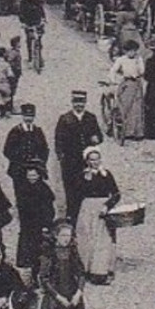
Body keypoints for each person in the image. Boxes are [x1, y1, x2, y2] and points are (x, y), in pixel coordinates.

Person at [36, 219, 90, 309]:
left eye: (69, 235)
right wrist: (58, 297)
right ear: (56, 236)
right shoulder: (49, 253)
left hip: (72, 296)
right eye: (63, 235)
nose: (66, 239)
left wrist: (78, 293)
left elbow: (81, 273)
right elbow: (44, 278)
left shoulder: (73, 252)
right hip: (55, 298)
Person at [74, 147, 121, 285]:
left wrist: (107, 206)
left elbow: (116, 193)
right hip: (87, 208)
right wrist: (84, 181)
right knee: (86, 238)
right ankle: (84, 270)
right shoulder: (82, 175)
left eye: (97, 159)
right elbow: (76, 194)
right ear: (87, 161)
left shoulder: (106, 174)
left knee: (102, 240)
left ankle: (99, 271)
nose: (95, 162)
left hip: (102, 208)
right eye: (91, 159)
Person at [54, 90, 104, 220]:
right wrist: (62, 156)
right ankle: (71, 218)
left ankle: (86, 218)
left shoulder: (91, 118)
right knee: (71, 191)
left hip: (87, 162)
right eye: (76, 102)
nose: (79, 105)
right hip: (70, 163)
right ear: (72, 103)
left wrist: (96, 138)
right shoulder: (65, 119)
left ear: (85, 103)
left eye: (81, 102)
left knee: (87, 189)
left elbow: (99, 136)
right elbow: (58, 140)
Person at [12, 160, 56, 276]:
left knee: (39, 250)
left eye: (34, 175)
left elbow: (49, 209)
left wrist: (47, 224)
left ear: (39, 175)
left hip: (40, 225)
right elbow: (21, 207)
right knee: (28, 250)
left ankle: (39, 274)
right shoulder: (23, 189)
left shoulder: (44, 189)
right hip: (27, 225)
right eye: (29, 175)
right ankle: (29, 274)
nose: (31, 178)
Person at [2, 103, 50, 188]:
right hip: (19, 170)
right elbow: (7, 150)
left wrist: (39, 162)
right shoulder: (15, 131)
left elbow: (44, 149)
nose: (29, 119)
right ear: (22, 116)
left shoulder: (38, 131)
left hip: (35, 170)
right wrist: (20, 160)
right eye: (26, 116)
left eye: (31, 116)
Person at [107, 39, 146, 142]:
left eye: (134, 51)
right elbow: (113, 70)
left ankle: (136, 132)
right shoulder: (121, 59)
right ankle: (122, 128)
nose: (131, 53)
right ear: (125, 51)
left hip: (137, 84)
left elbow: (142, 71)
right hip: (126, 83)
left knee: (136, 107)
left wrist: (138, 67)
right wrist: (113, 80)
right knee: (125, 105)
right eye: (129, 51)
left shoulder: (139, 59)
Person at [17, 0, 46, 72]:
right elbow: (21, 14)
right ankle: (30, 58)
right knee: (29, 40)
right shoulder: (23, 3)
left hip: (37, 22)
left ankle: (39, 58)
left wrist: (43, 19)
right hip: (28, 23)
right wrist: (22, 22)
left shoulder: (38, 2)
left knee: (39, 40)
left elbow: (42, 11)